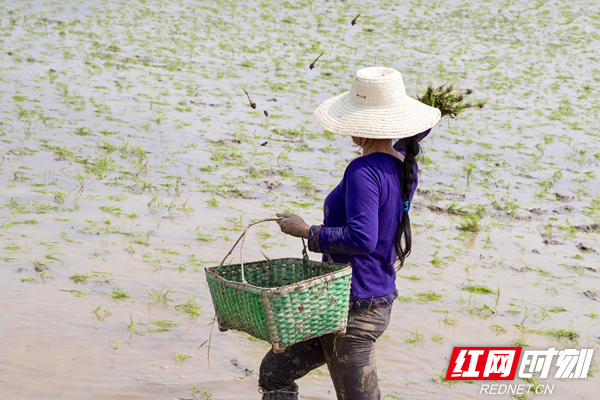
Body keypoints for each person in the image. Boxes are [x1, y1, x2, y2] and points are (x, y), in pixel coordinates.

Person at [258, 67, 441, 400]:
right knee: (275, 372)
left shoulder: (363, 170)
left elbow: (361, 238)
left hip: (354, 311)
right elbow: (416, 134)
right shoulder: (403, 166)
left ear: (361, 125)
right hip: (357, 300)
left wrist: (306, 231)